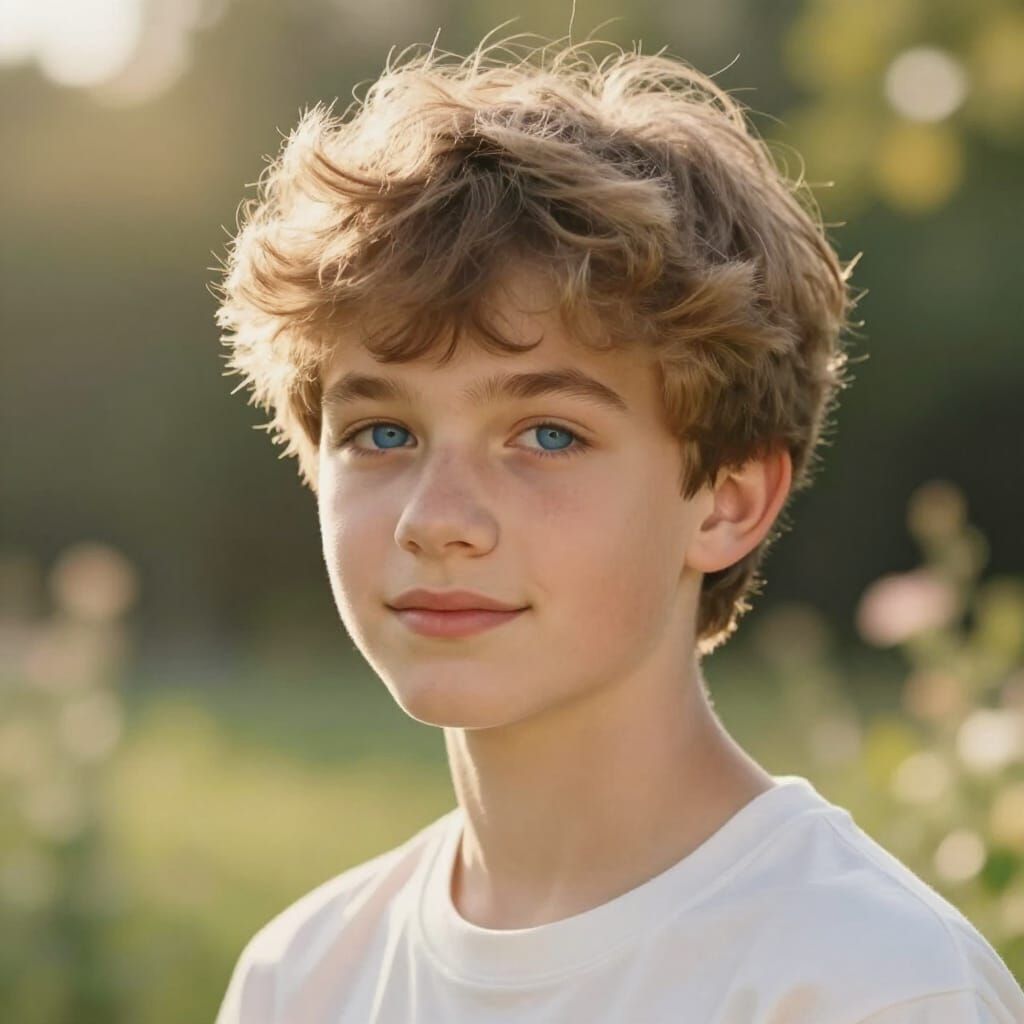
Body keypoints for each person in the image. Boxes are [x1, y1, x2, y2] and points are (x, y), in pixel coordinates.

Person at [211, 34, 1024, 1024]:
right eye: (383, 432)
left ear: (725, 500)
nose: (437, 520)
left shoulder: (867, 983)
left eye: (546, 434)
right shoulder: (301, 978)